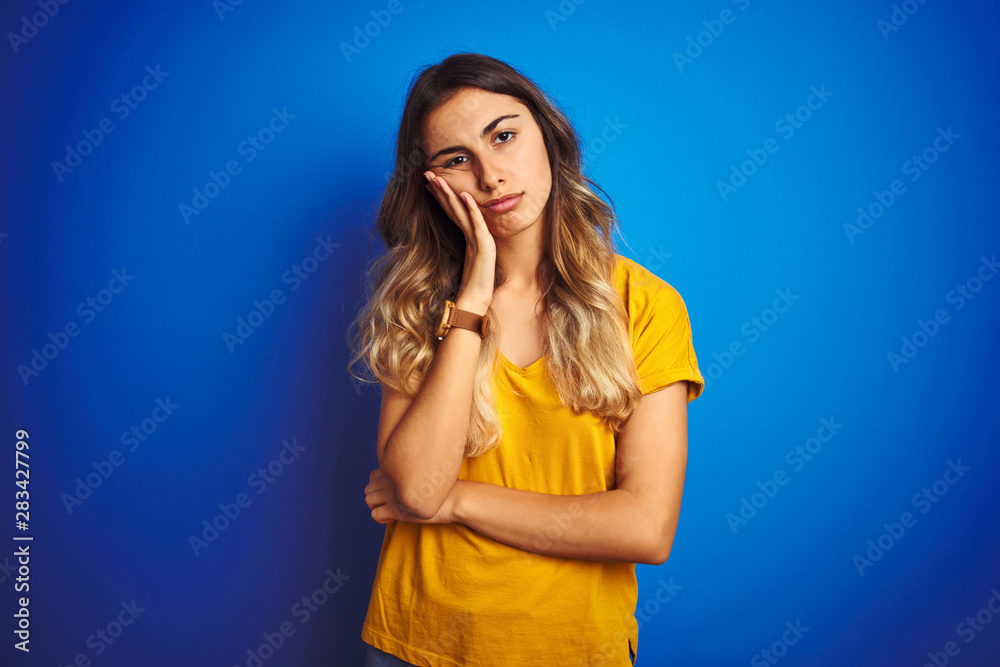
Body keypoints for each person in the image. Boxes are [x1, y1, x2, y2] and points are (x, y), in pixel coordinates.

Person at [348, 52, 704, 667]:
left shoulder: (644, 304)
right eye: (456, 159)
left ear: (549, 139)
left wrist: (457, 501)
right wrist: (473, 298)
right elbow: (414, 485)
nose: (490, 176)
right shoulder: (416, 307)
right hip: (417, 643)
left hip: (571, 648)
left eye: (504, 136)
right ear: (430, 184)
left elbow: (645, 527)